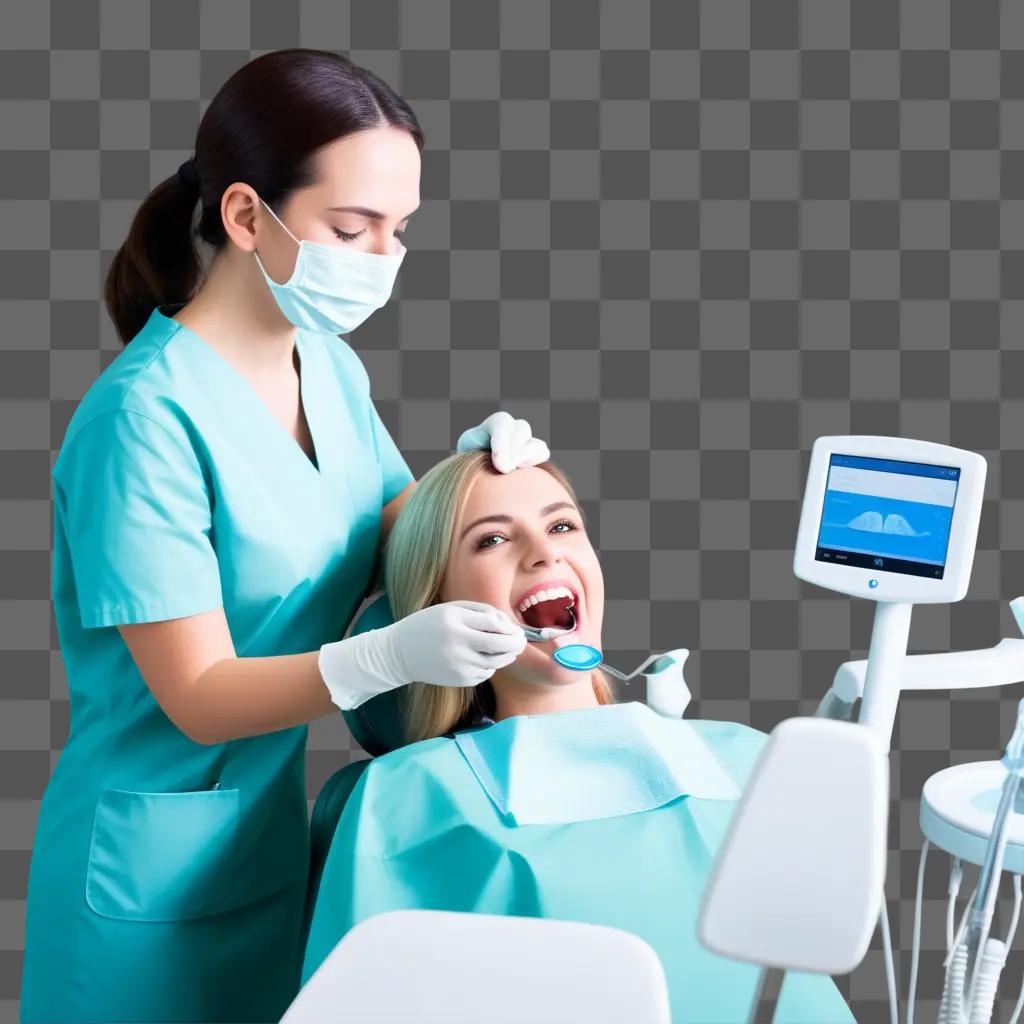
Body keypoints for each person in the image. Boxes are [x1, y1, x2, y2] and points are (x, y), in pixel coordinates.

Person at [20, 49, 548, 1024]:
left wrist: (483, 486)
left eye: (400, 230)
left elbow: (397, 530)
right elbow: (201, 698)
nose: (382, 256)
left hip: (258, 848)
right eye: (352, 228)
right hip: (139, 884)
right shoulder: (142, 420)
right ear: (244, 215)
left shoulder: (328, 368)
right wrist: (388, 654)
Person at [301, 450, 857, 1023]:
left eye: (562, 525)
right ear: (441, 607)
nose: (544, 551)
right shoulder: (403, 797)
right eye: (492, 540)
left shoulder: (749, 756)